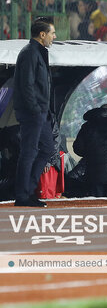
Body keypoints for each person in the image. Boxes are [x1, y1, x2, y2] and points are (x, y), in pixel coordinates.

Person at [13, 17, 56, 207]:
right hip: (33, 113)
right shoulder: (30, 52)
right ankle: (22, 196)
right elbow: (26, 85)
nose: (54, 37)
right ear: (42, 34)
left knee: (47, 148)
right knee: (28, 152)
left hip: (41, 112)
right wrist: (35, 109)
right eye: (52, 33)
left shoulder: (38, 52)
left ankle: (29, 190)